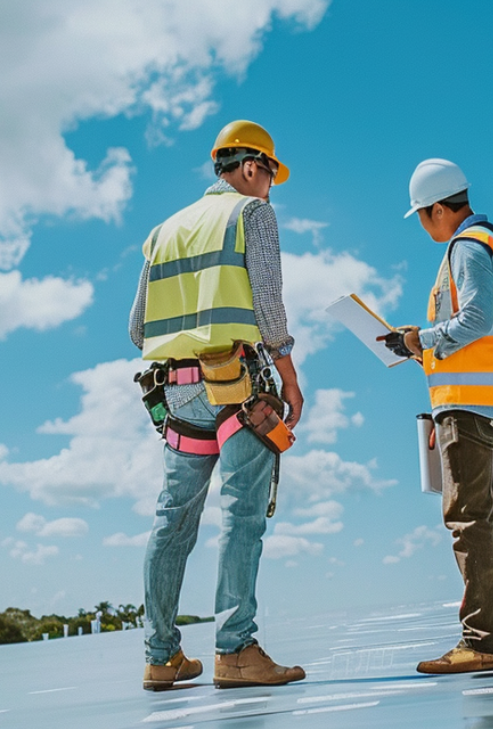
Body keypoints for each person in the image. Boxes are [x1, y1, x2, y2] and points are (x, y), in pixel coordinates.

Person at [129, 120, 306, 691]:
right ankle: (235, 650)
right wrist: (287, 373)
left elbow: (138, 330)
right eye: (271, 176)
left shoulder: (162, 231)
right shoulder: (252, 215)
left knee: (172, 521)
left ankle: (161, 655)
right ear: (252, 167)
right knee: (242, 514)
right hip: (237, 385)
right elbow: (269, 303)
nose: (271, 189)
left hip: (176, 392)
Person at [383, 158, 493, 674]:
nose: (425, 227)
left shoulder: (466, 246)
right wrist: (419, 346)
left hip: (470, 402)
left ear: (440, 210)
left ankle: (481, 642)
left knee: (468, 520)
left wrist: (420, 339)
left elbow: (474, 319)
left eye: (424, 217)